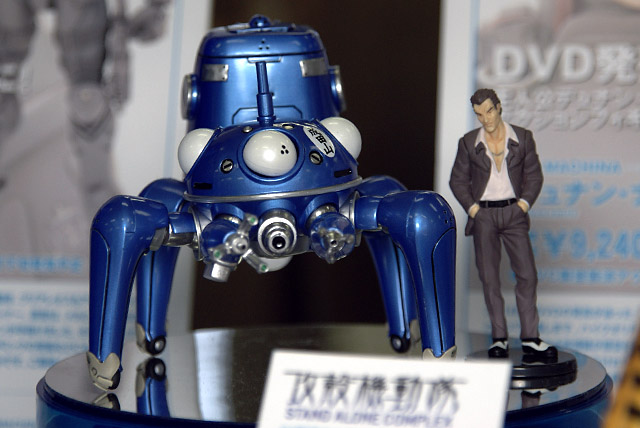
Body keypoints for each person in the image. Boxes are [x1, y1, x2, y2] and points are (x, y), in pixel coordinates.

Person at [449, 88, 557, 359]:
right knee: (489, 278)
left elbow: (534, 175)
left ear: (499, 107)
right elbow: (457, 180)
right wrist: (473, 210)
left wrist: (523, 205)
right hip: (484, 215)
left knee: (527, 275)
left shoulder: (522, 137)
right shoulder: (468, 142)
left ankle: (530, 337)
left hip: (513, 213)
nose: (485, 118)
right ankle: (499, 339)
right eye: (479, 114)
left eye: (489, 111)